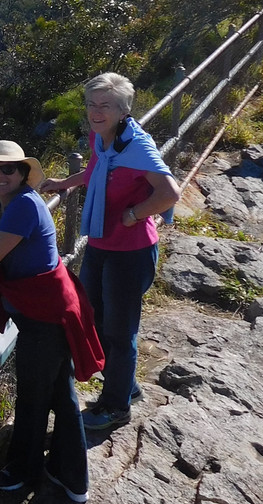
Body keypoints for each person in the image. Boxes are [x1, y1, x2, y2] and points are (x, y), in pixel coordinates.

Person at [0, 140, 102, 502]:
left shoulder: (20, 206)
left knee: (35, 397)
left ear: (22, 173)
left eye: (9, 169)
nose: (0, 175)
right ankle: (70, 477)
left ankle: (24, 473)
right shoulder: (6, 204)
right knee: (59, 393)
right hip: (50, 308)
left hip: (44, 316)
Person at [41, 72, 181, 431]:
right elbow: (94, 169)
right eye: (91, 103)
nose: (95, 111)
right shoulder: (101, 138)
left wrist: (134, 214)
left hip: (130, 252)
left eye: (105, 105)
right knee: (94, 317)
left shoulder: (136, 147)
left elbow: (169, 193)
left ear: (123, 110)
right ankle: (126, 385)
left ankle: (116, 406)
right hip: (101, 243)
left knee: (120, 332)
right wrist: (64, 183)